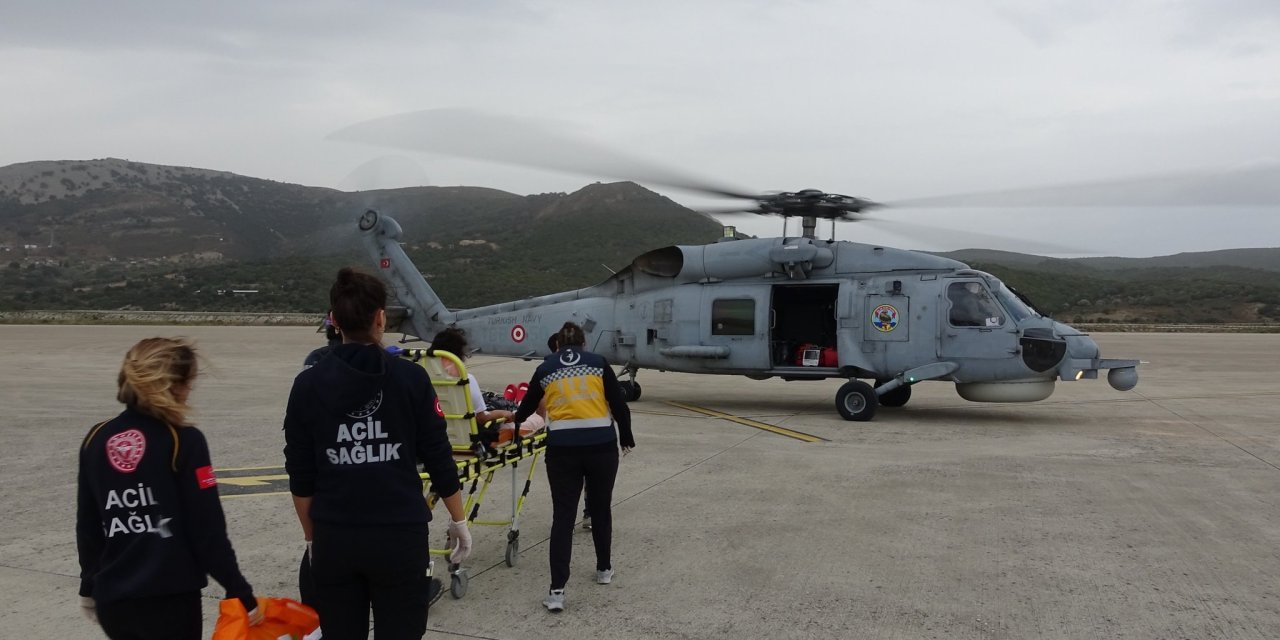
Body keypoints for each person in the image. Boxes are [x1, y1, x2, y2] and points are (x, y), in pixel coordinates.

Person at [284, 267, 473, 639]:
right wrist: (458, 520)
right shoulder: (411, 378)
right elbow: (438, 456)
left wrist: (312, 538)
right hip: (399, 536)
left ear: (334, 321)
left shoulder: (308, 385)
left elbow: (300, 473)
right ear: (381, 317)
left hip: (336, 536)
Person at [76, 337, 261, 640]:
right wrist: (239, 590)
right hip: (169, 600)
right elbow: (208, 530)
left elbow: (88, 524)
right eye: (189, 381)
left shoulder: (95, 437)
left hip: (115, 602)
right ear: (173, 385)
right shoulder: (183, 441)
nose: (190, 390)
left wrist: (88, 585)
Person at [513, 322, 635, 612]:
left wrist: (515, 424)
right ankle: (604, 569)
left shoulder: (546, 368)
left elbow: (528, 405)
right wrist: (626, 439)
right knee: (601, 508)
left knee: (563, 517)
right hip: (601, 447)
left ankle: (557, 592)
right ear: (584, 343)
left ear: (557, 346)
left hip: (562, 451)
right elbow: (619, 404)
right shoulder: (599, 363)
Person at [428, 327, 515, 427]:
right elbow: (482, 418)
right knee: (514, 420)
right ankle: (518, 403)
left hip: (429, 435)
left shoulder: (422, 377)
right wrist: (502, 413)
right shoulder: (466, 380)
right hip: (462, 437)